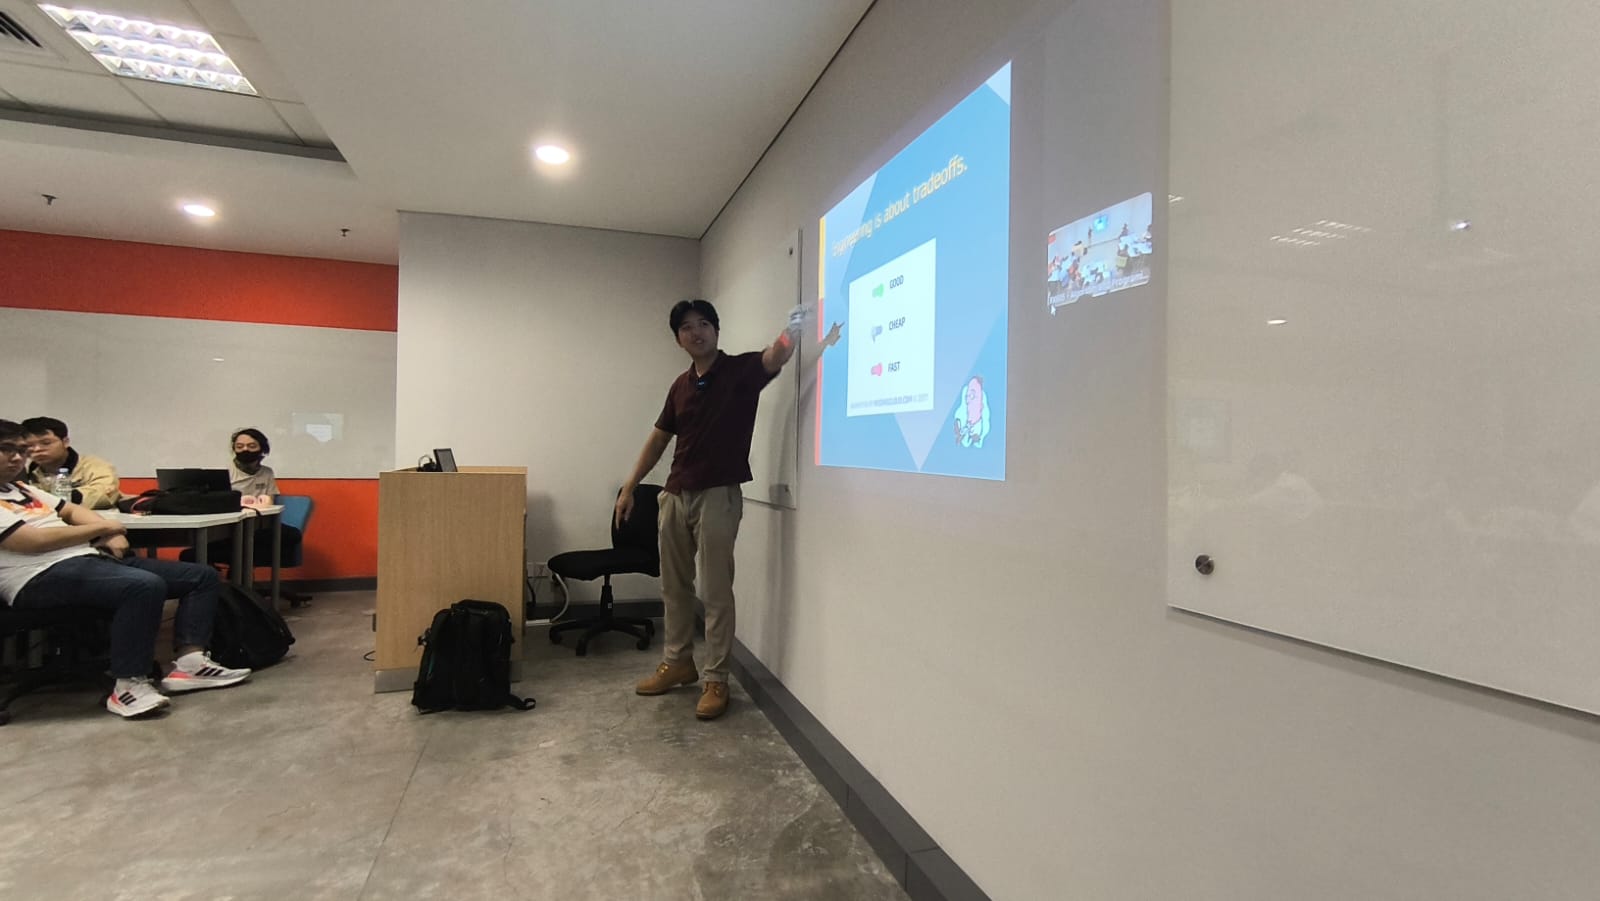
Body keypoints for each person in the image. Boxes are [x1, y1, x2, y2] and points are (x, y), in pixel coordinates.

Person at [618, 299, 837, 720]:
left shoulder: (740, 370)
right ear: (678, 339)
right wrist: (630, 487)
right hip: (675, 494)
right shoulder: (680, 386)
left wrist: (792, 332)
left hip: (718, 495)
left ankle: (716, 678)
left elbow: (775, 357)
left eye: (704, 324)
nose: (696, 332)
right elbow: (659, 438)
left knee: (716, 590)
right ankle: (677, 662)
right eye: (686, 327)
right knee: (674, 587)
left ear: (716, 330)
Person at [0, 419, 250, 718]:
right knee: (141, 585)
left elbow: (72, 510)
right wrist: (105, 528)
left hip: (85, 559)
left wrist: (108, 533)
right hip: (35, 576)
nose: (17, 457)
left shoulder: (21, 488)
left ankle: (190, 662)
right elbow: (32, 541)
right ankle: (128, 685)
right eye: (6, 449)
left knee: (200, 576)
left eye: (21, 450)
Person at [20, 416, 123, 510]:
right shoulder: (22, 470)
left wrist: (58, 499)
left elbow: (104, 493)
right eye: (29, 445)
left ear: (65, 442)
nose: (37, 449)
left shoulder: (93, 465)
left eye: (46, 443)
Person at [229, 428, 279, 500]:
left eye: (252, 446)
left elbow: (270, 501)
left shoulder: (267, 472)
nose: (245, 449)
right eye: (239, 446)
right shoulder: (226, 471)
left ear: (262, 448)